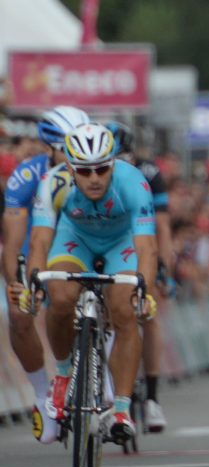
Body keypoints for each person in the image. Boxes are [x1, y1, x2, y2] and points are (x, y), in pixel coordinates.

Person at [27, 123, 159, 445]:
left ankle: (122, 410)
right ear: (70, 168)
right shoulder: (52, 183)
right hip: (75, 241)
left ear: (113, 163)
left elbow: (147, 248)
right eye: (85, 172)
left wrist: (145, 290)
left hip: (121, 244)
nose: (95, 178)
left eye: (102, 169)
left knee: (124, 311)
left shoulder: (134, 183)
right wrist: (34, 280)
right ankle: (61, 376)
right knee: (59, 297)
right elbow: (40, 243)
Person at [1, 105, 88, 442]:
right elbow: (13, 242)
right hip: (35, 244)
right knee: (20, 313)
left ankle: (103, 369)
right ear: (50, 148)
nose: (75, 155)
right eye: (67, 148)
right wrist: (15, 281)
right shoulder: (27, 176)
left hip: (79, 244)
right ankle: (42, 396)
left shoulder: (96, 173)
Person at [106, 121, 175, 432]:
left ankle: (153, 399)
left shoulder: (148, 172)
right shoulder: (88, 173)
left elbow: (161, 225)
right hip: (101, 243)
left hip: (139, 242)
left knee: (149, 314)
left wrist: (165, 270)